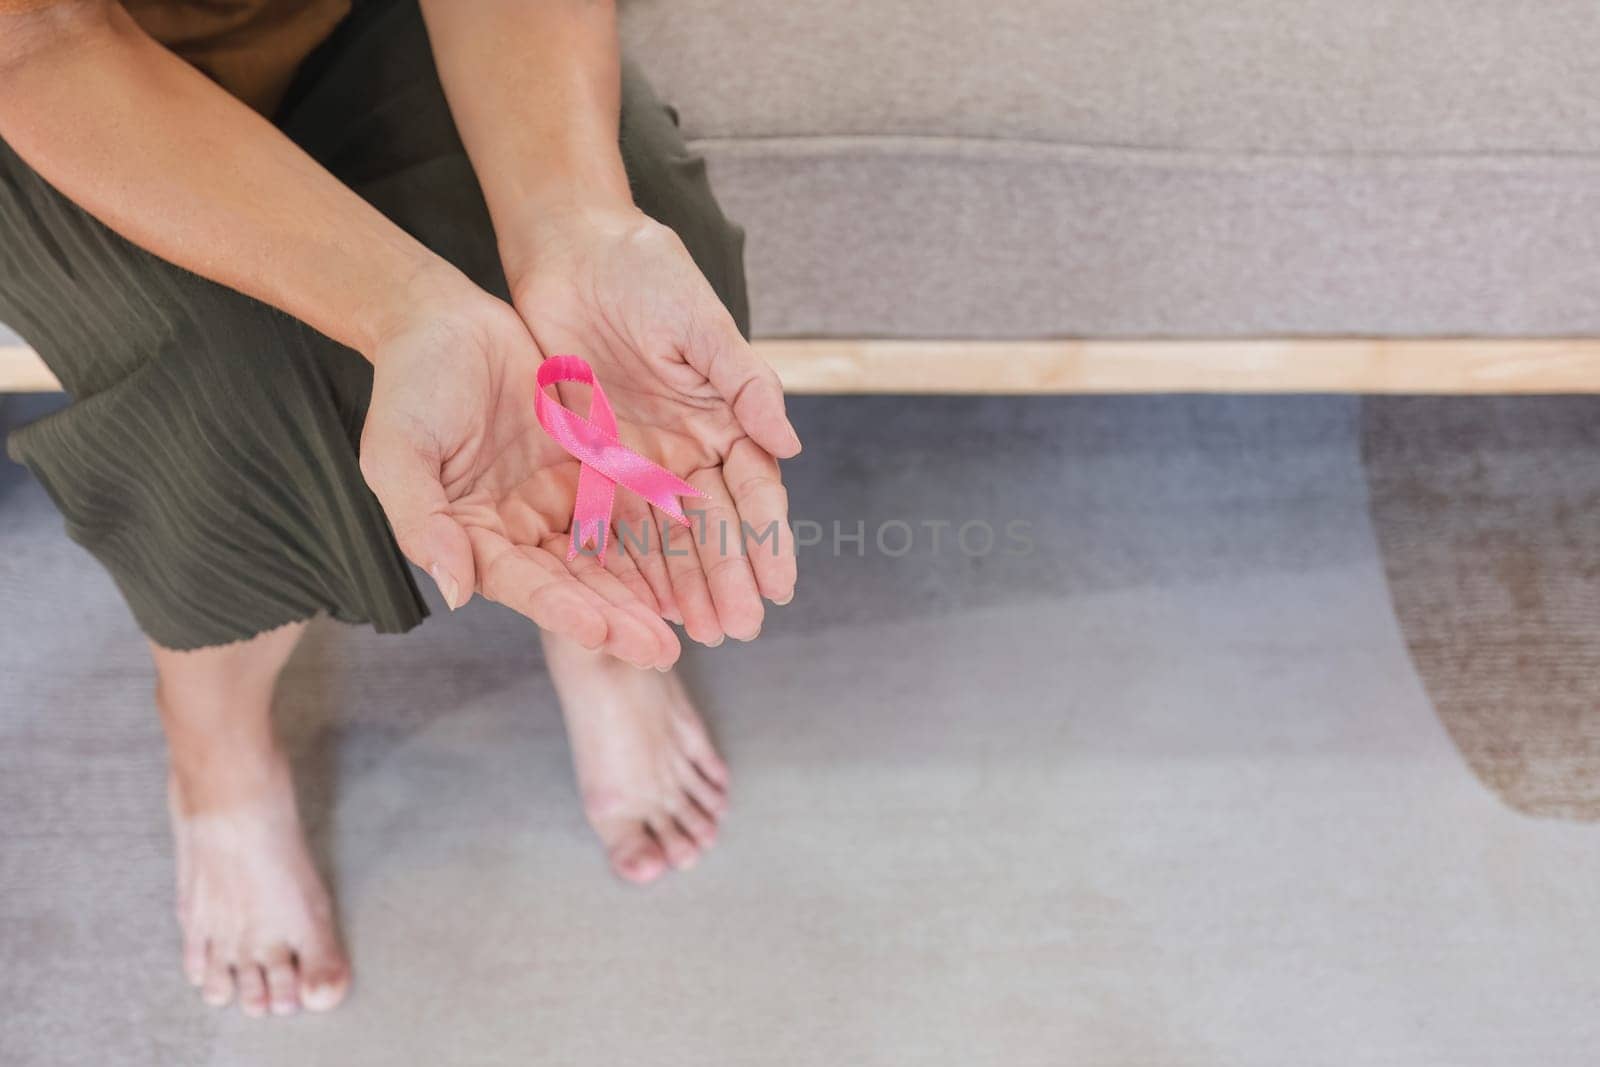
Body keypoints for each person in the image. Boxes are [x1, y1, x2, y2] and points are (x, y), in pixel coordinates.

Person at [0, 0, 800, 1018]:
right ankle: (217, 743)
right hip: (54, 77)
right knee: (225, 391)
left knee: (641, 270)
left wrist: (575, 226)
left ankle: (601, 630)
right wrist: (407, 307)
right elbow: (42, 43)